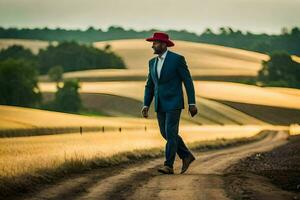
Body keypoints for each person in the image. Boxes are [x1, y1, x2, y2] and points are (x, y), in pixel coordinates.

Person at [141, 32, 198, 174]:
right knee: (165, 133)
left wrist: (192, 103)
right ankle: (186, 155)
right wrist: (146, 104)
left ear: (164, 44)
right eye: (152, 43)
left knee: (171, 133)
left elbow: (188, 81)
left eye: (155, 43)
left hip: (174, 102)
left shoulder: (177, 60)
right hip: (160, 103)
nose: (152, 46)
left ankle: (169, 165)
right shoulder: (152, 63)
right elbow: (150, 85)